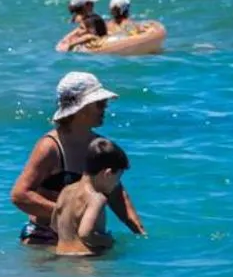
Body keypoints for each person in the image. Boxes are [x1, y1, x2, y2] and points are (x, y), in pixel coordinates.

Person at [9, 71, 145, 246]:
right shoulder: (50, 147)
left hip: (82, 237)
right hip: (44, 237)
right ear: (82, 108)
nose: (105, 108)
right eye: (100, 103)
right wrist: (68, 213)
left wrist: (140, 233)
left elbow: (117, 195)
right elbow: (20, 195)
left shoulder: (99, 146)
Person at [54, 138, 132, 257]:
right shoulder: (96, 198)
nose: (117, 183)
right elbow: (85, 234)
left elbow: (54, 224)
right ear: (108, 173)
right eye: (118, 178)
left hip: (61, 256)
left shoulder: (66, 191)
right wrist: (108, 241)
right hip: (86, 262)